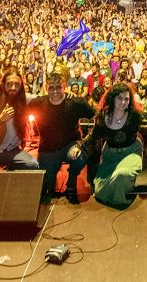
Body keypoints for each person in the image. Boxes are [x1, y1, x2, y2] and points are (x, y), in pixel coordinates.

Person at [70, 82, 143, 208]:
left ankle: (125, 184)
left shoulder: (134, 115)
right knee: (100, 193)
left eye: (126, 99)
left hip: (131, 152)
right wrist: (79, 146)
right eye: (119, 98)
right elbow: (93, 135)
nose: (123, 102)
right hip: (110, 154)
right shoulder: (103, 116)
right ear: (112, 98)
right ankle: (121, 184)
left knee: (123, 173)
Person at [29, 72, 95, 204]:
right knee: (48, 189)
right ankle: (50, 182)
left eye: (58, 87)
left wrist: (83, 142)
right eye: (51, 87)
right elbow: (20, 107)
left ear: (64, 87)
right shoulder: (38, 103)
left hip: (70, 146)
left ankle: (71, 185)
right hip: (48, 149)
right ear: (46, 88)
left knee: (80, 158)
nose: (55, 91)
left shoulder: (75, 102)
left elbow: (96, 117)